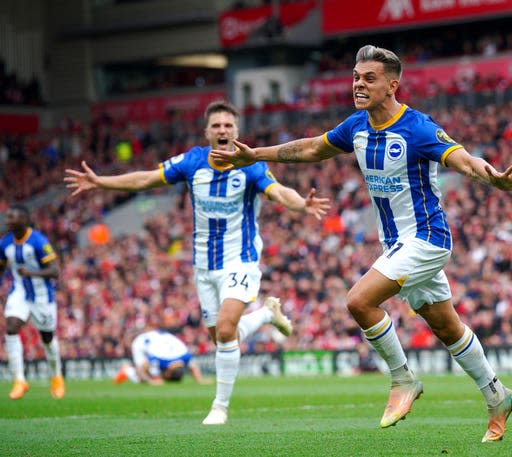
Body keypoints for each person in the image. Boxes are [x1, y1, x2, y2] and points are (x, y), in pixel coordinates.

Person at [210, 45, 512, 442]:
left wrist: (492, 176)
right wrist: (254, 155)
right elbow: (312, 148)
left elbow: (460, 158)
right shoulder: (357, 126)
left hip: (427, 238)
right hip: (397, 244)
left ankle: (403, 380)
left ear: (392, 85)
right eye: (356, 77)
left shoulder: (417, 127)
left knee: (359, 301)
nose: (359, 84)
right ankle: (497, 395)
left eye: (369, 79)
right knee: (447, 328)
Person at [65, 100, 330, 425]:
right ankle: (264, 315)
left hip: (241, 259)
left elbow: (277, 192)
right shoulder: (192, 162)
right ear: (207, 132)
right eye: (216, 126)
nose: (222, 130)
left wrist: (302, 203)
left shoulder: (249, 165)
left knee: (225, 328)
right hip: (204, 265)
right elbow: (146, 179)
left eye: (228, 126)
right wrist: (101, 182)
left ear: (236, 131)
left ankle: (219, 407)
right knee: (220, 337)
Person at [0, 204, 65, 400]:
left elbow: (55, 270)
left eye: (13, 217)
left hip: (42, 295)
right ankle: (19, 380)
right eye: (8, 216)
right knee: (11, 326)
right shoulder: (5, 243)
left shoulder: (38, 241)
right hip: (19, 292)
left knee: (47, 338)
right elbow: (1, 266)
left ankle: (56, 376)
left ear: (24, 220)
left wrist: (32, 273)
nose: (8, 220)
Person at [113, 329, 210, 385]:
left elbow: (193, 366)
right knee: (142, 378)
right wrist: (151, 380)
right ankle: (128, 370)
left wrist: (200, 380)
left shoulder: (184, 355)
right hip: (141, 342)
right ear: (168, 372)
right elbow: (143, 370)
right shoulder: (159, 358)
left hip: (159, 340)